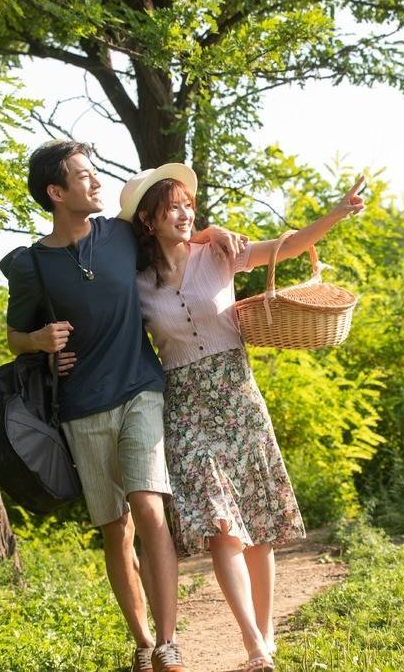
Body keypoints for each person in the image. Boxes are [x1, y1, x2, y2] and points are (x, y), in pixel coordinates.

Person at [0, 141, 244, 672]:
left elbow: (170, 231)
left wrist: (212, 233)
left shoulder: (119, 235)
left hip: (141, 389)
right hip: (81, 407)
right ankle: (140, 641)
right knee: (117, 528)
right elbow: (15, 336)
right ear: (55, 192)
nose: (96, 183)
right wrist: (40, 342)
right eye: (83, 177)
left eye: (94, 173)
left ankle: (167, 642)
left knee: (150, 509)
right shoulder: (31, 265)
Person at [124, 163, 363, 671]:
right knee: (221, 526)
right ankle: (253, 642)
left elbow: (289, 246)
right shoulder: (136, 282)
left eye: (189, 205)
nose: (186, 213)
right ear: (149, 220)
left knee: (256, 522)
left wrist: (337, 213)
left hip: (238, 397)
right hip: (185, 406)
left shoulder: (218, 253)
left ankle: (267, 631)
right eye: (173, 207)